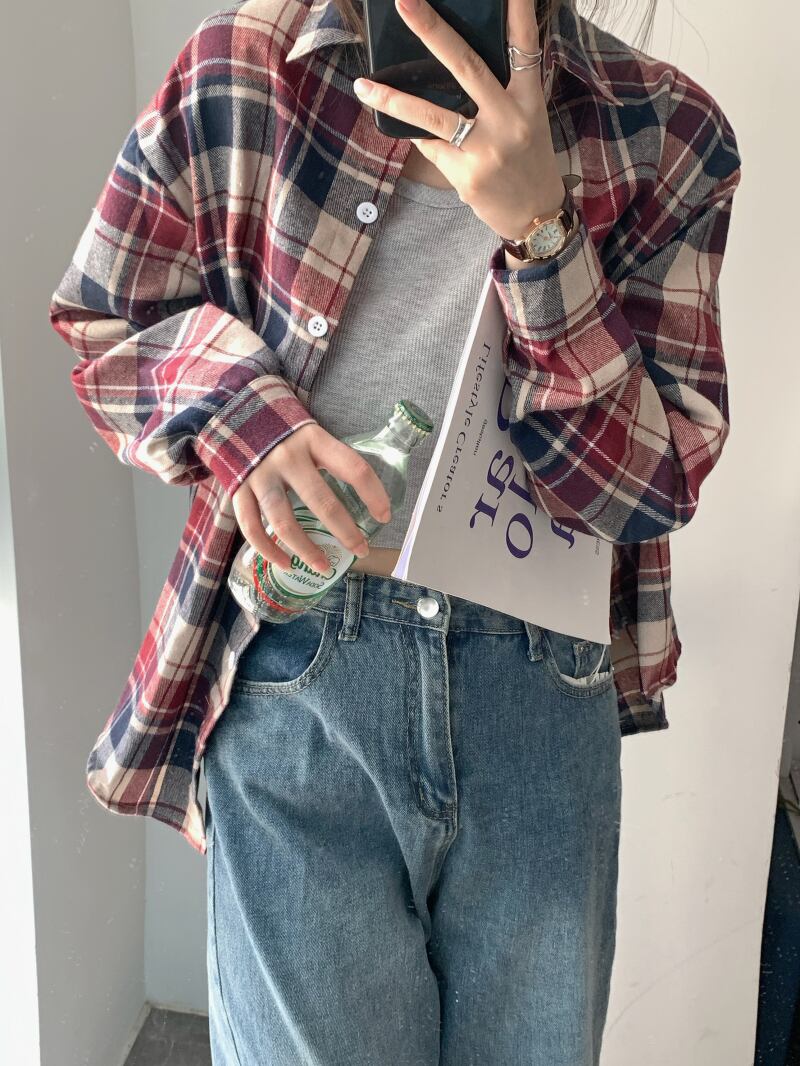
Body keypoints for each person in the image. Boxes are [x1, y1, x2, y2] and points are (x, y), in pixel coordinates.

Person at [48, 0, 742, 1061]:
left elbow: (651, 485)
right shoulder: (247, 67)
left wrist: (543, 235)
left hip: (538, 687)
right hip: (301, 666)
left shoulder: (666, 131)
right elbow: (109, 318)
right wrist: (244, 422)